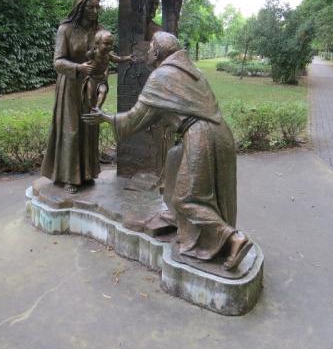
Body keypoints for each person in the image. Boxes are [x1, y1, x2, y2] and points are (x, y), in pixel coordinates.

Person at [82, 31, 252, 270]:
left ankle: (233, 238)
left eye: (151, 46)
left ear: (158, 53)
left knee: (187, 198)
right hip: (219, 132)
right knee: (173, 159)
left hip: (201, 135)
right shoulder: (190, 71)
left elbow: (136, 118)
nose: (148, 50)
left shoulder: (161, 76)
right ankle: (174, 216)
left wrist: (106, 118)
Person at [41, 0, 102, 194]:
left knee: (89, 127)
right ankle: (69, 176)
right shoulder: (65, 29)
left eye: (97, 7)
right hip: (70, 85)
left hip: (90, 85)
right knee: (71, 129)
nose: (94, 11)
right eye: (90, 7)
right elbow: (58, 62)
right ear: (80, 8)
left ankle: (86, 173)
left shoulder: (99, 30)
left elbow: (104, 56)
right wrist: (77, 67)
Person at [83, 30, 135, 109]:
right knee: (90, 97)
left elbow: (118, 59)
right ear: (97, 44)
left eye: (111, 44)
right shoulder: (94, 54)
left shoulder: (108, 55)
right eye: (106, 44)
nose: (109, 46)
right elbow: (87, 55)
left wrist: (128, 58)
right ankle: (92, 109)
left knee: (103, 91)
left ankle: (98, 108)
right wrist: (92, 50)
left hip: (101, 79)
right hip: (92, 79)